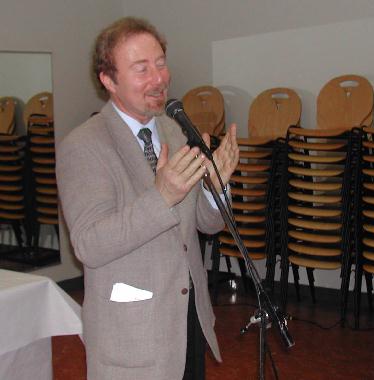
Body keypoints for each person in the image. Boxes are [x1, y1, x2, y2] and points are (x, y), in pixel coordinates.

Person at [56, 17, 239, 380]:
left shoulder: (174, 127)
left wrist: (215, 189)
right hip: (132, 334)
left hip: (188, 320)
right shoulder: (84, 146)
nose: (159, 78)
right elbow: (90, 244)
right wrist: (163, 196)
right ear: (109, 80)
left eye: (160, 63)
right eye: (142, 69)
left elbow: (204, 223)